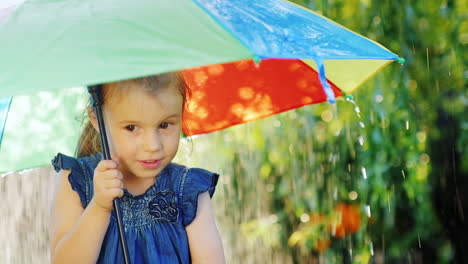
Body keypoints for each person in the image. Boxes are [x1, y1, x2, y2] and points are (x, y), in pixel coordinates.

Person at [48, 72, 225, 263]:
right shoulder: (76, 180)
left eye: (164, 125)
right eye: (132, 128)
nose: (153, 145)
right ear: (97, 119)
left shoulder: (188, 190)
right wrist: (99, 207)